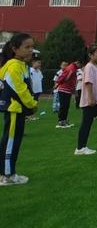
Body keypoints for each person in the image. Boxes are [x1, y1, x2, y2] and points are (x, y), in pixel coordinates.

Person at [0, 33, 37, 186]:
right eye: (27, 47)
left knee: (14, 141)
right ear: (15, 49)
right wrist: (32, 104)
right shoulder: (14, 66)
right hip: (14, 109)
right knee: (10, 142)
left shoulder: (22, 65)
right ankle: (7, 175)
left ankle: (10, 173)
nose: (31, 50)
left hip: (19, 110)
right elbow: (20, 90)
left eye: (32, 47)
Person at [76, 44, 97, 155]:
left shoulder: (96, 67)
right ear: (90, 55)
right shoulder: (89, 67)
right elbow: (88, 83)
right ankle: (80, 148)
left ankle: (83, 146)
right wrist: (91, 98)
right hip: (89, 100)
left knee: (88, 123)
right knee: (86, 124)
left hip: (94, 100)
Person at [56, 59, 77, 129]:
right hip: (64, 90)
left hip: (67, 90)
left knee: (66, 106)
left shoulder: (72, 67)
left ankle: (64, 120)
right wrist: (60, 82)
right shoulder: (72, 68)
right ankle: (60, 121)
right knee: (63, 106)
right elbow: (66, 77)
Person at [27, 57, 43, 121]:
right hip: (32, 90)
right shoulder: (29, 70)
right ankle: (28, 116)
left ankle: (32, 115)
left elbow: (41, 79)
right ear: (33, 62)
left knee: (35, 103)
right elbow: (29, 80)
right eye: (38, 63)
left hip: (38, 90)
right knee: (30, 103)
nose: (39, 64)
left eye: (40, 63)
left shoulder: (39, 71)